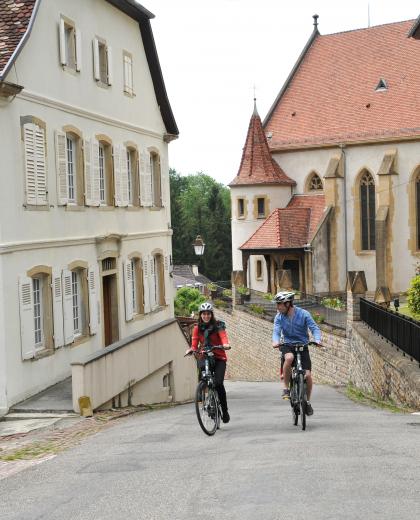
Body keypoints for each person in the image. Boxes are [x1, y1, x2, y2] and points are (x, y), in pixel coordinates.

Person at [271, 291, 322, 416]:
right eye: (277, 304)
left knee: (308, 376)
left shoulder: (304, 314)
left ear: (288, 304)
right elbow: (276, 332)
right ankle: (286, 388)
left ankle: (307, 402)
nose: (277, 307)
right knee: (289, 358)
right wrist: (276, 342)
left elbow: (314, 328)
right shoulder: (279, 317)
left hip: (302, 345)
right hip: (287, 345)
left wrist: (318, 339)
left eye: (280, 304)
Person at [185, 302, 231, 423]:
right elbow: (194, 344)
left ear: (211, 315)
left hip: (219, 357)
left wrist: (225, 344)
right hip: (204, 355)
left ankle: (224, 411)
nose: (206, 316)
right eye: (204, 314)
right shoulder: (197, 328)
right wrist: (191, 349)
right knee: (203, 371)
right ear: (200, 315)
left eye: (208, 314)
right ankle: (203, 390)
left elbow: (223, 336)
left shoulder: (218, 325)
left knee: (219, 383)